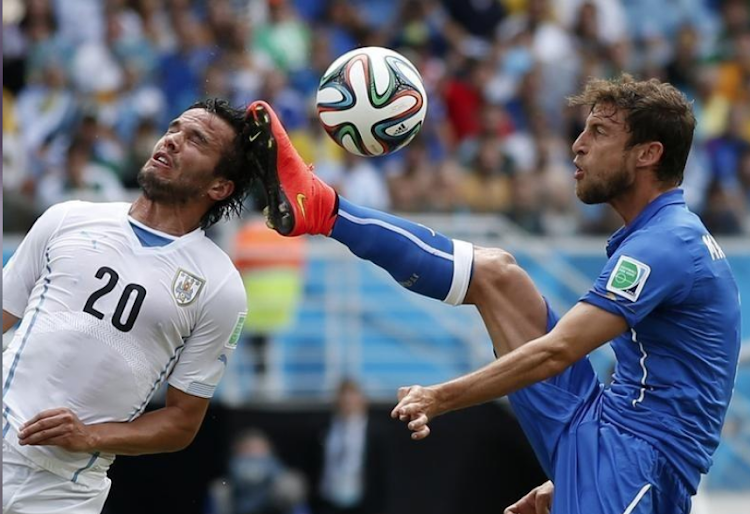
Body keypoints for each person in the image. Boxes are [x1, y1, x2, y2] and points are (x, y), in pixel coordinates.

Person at [243, 72, 741, 514]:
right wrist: (566, 474)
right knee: (497, 274)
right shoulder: (660, 235)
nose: (578, 144)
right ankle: (323, 207)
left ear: (648, 154)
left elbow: (560, 350)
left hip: (635, 460)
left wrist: (442, 396)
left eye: (599, 131)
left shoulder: (667, 244)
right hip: (606, 425)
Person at [2, 98, 257, 513]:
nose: (173, 139)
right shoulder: (67, 218)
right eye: (174, 127)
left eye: (196, 139)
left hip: (66, 489)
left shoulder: (221, 287)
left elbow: (181, 422)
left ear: (220, 187)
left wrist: (90, 436)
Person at [315, 379, 386, 514]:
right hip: (329, 499)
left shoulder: (375, 431)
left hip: (363, 501)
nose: (348, 402)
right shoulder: (324, 428)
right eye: (344, 397)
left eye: (352, 396)